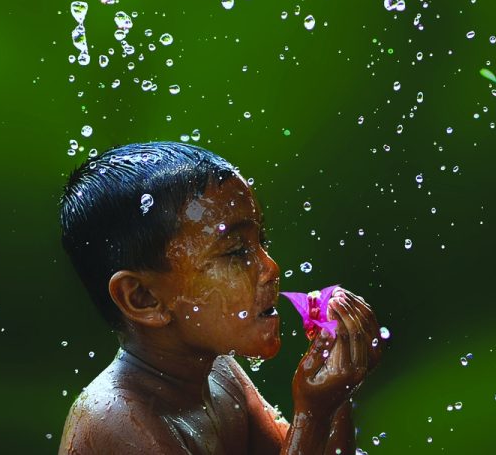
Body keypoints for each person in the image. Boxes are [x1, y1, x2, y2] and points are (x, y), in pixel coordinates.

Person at [57, 142, 382, 454]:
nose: (270, 268)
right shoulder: (116, 422)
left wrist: (336, 397)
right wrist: (314, 414)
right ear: (143, 298)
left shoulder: (218, 375)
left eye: (261, 241)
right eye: (236, 251)